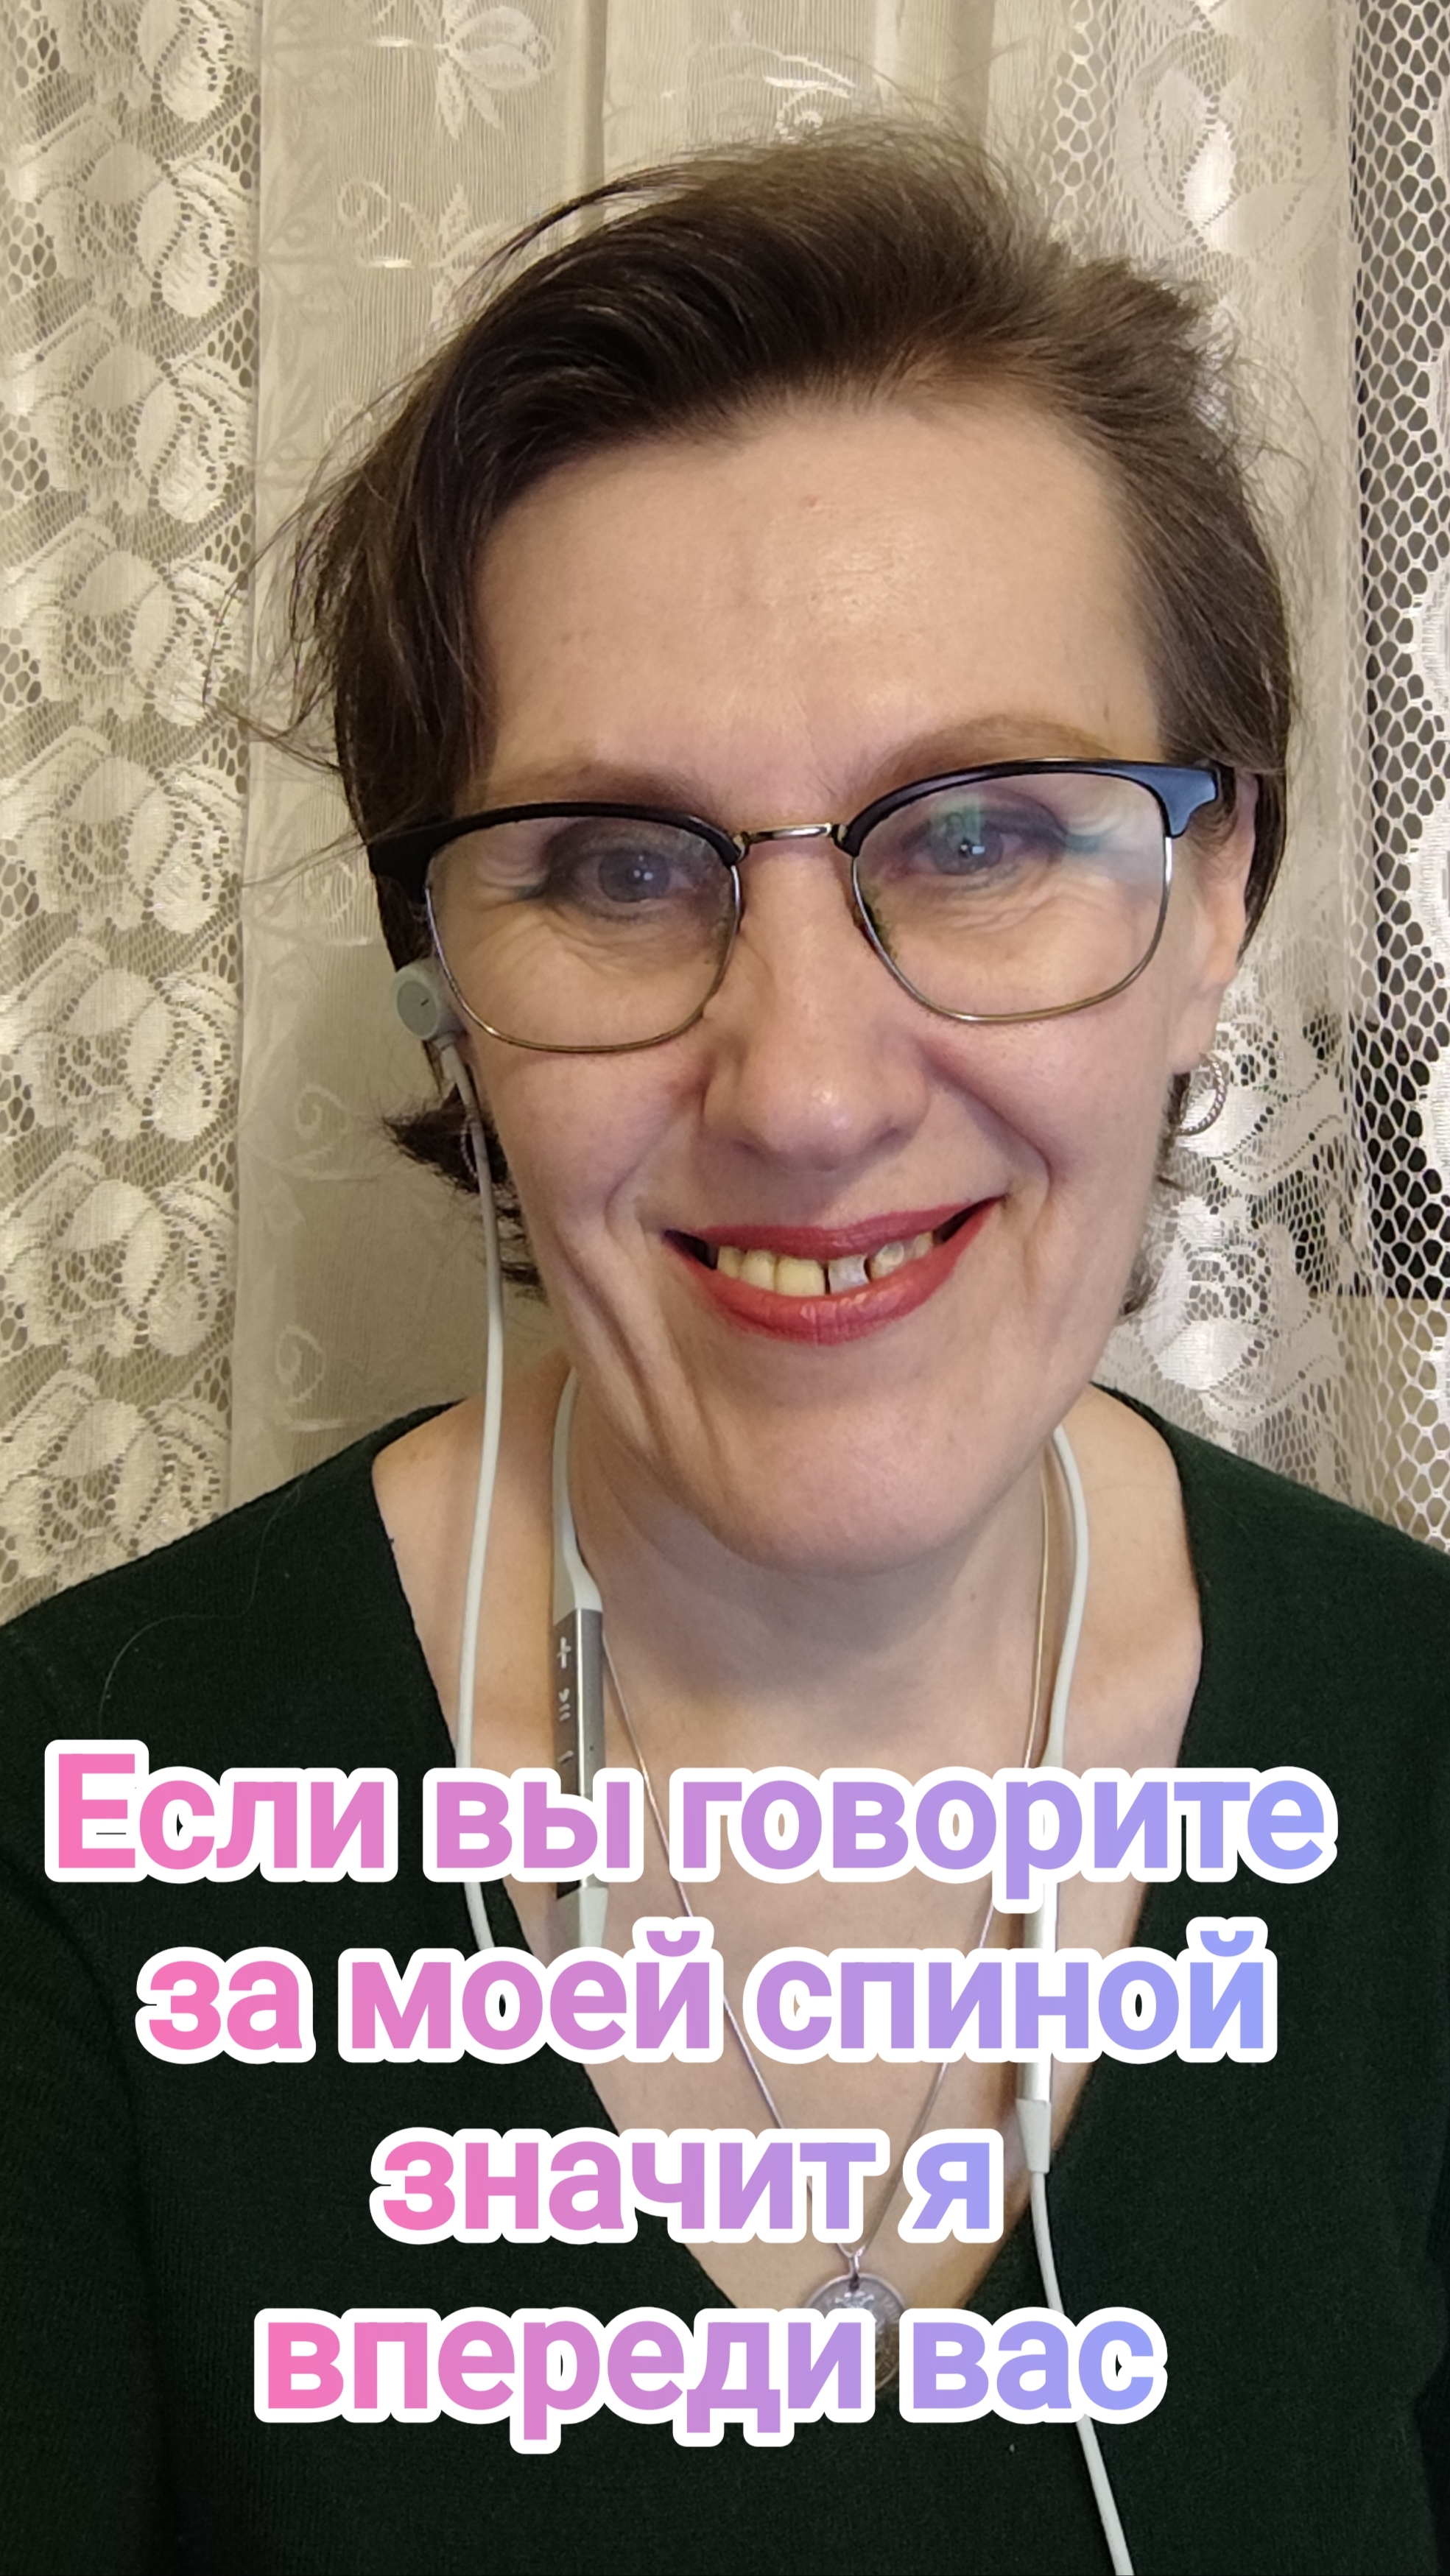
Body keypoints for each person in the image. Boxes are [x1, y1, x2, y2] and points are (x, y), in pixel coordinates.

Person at [3, 122, 1449, 2576]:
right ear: (448, 986)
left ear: (1213, 899)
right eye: (615, 865)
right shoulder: (78, 1846)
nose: (802, 1090)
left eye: (979, 832)